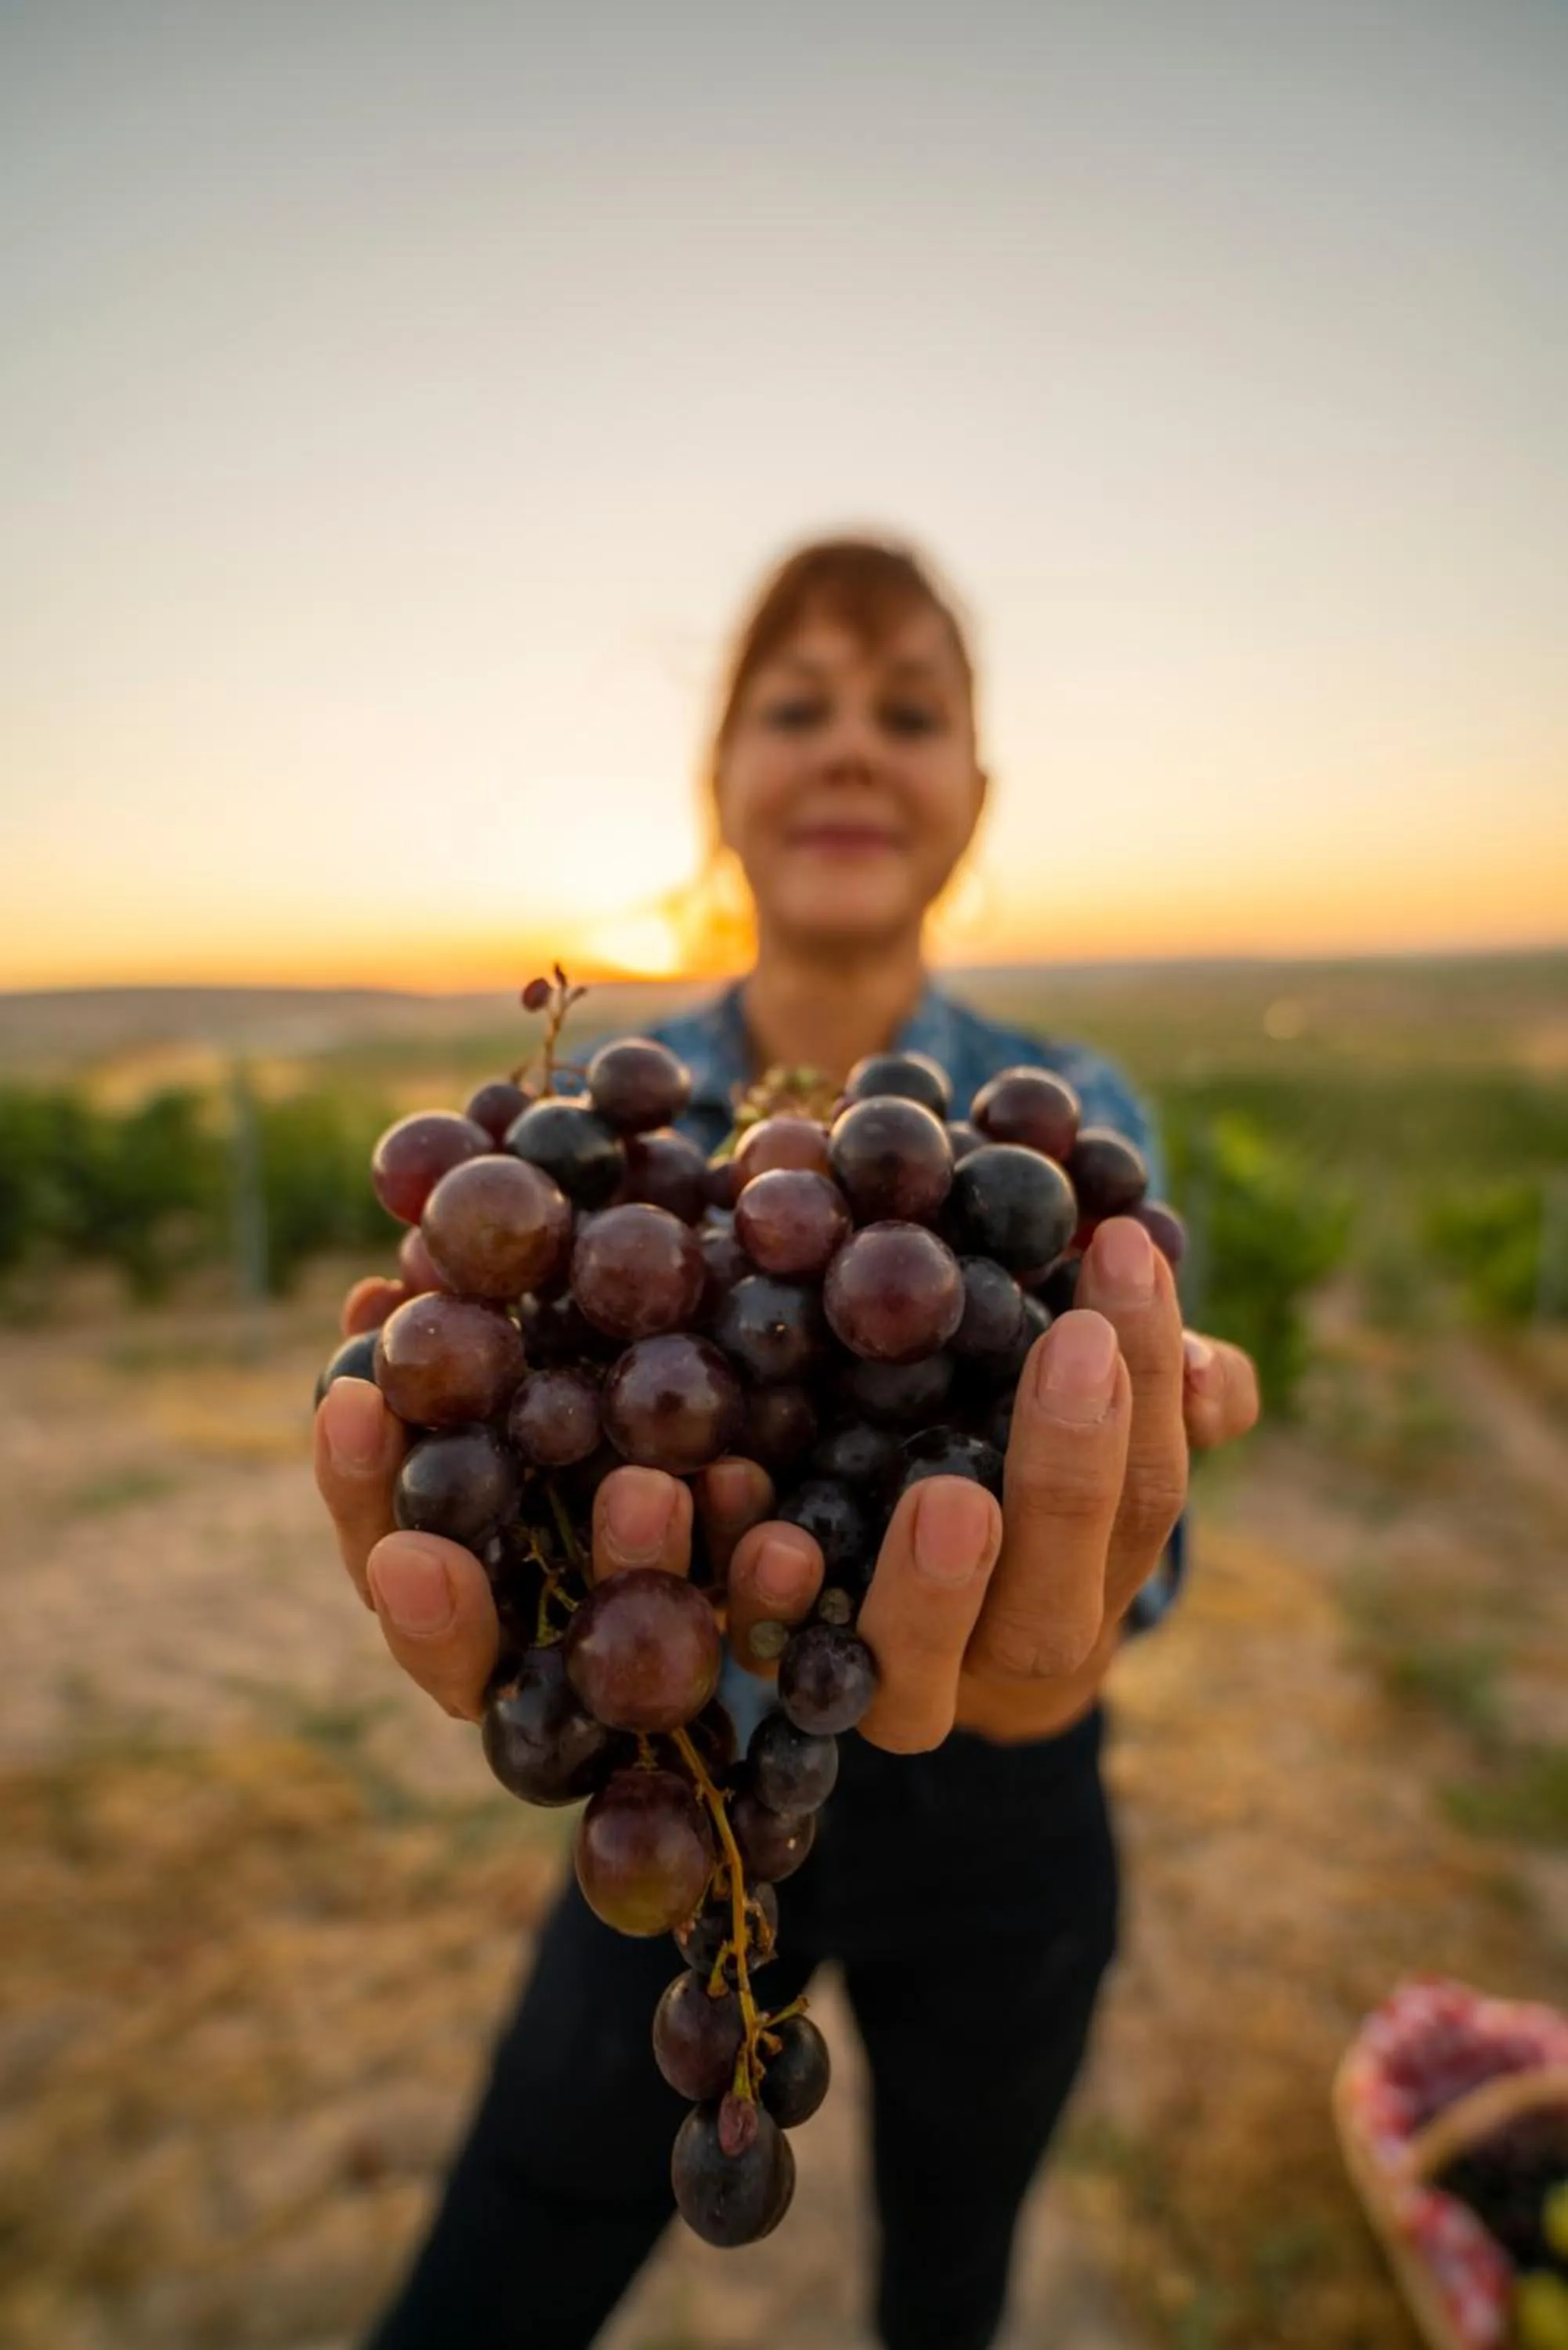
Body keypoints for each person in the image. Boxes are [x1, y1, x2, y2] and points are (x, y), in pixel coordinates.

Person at [313, 537, 1259, 2350]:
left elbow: (1135, 1513)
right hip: (688, 1763)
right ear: (719, 784)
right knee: (507, 2250)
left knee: (953, 2256)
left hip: (1012, 1809)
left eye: (904, 714)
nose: (847, 750)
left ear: (970, 799)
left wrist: (1110, 1552)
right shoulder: (598, 1122)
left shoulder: (1050, 1124)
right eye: (796, 707)